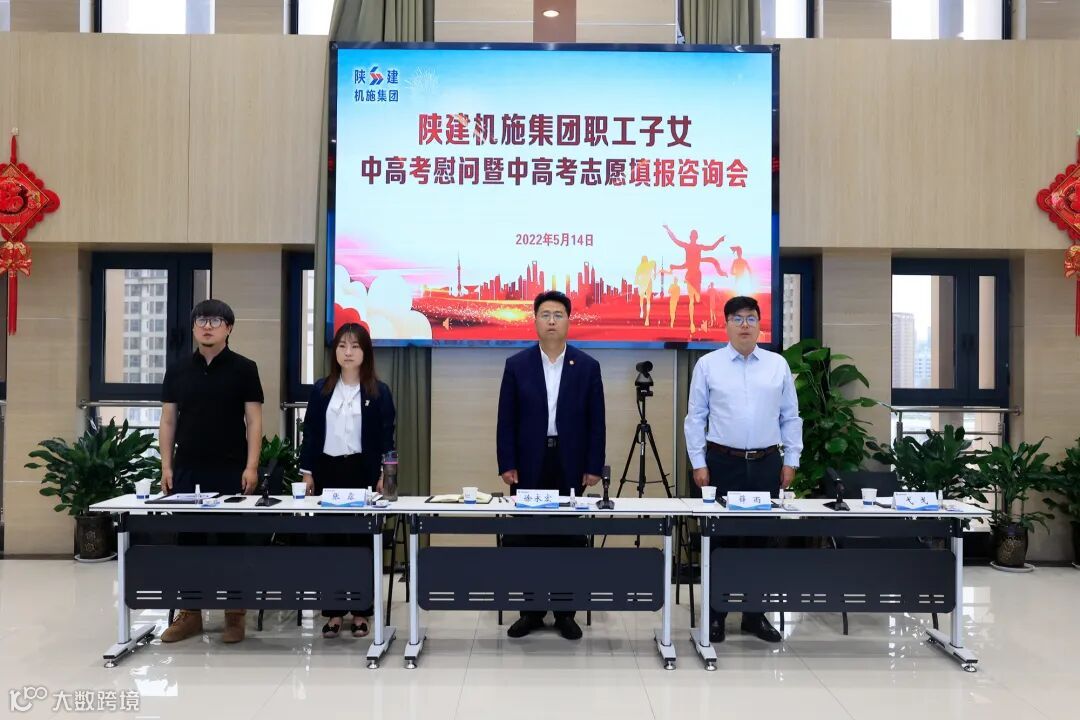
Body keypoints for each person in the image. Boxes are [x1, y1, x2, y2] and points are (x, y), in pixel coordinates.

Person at [683, 295, 803, 644]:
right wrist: (698, 462)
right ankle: (716, 615)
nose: (745, 325)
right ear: (726, 325)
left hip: (766, 463)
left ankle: (754, 615)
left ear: (760, 324)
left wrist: (791, 460)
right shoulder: (708, 365)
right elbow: (696, 417)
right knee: (720, 541)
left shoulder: (777, 365)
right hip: (722, 463)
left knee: (760, 542)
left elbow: (790, 416)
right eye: (737, 318)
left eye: (751, 318)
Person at [496, 291, 605, 641]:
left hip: (569, 462)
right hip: (529, 463)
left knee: (568, 538)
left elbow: (596, 422)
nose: (552, 320)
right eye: (546, 314)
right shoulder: (517, 365)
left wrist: (593, 465)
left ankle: (564, 612)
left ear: (569, 321)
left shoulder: (587, 366)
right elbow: (506, 419)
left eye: (559, 314)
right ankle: (530, 611)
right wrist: (507, 462)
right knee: (527, 538)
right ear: (535, 321)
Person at [158, 299, 264, 644]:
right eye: (201, 320)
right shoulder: (177, 370)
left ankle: (235, 615)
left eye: (216, 321)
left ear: (228, 328)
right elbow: (168, 420)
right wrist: (166, 464)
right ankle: (190, 614)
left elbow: (254, 421)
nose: (207, 326)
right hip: (188, 469)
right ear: (193, 327)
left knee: (232, 542)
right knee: (189, 542)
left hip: (231, 469)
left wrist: (251, 466)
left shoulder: (245, 369)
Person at [299, 322, 396, 640]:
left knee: (361, 544)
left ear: (365, 352)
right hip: (327, 473)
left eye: (355, 346)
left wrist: (384, 475)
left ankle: (361, 611)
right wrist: (307, 472)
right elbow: (311, 433)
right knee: (330, 544)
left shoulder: (378, 392)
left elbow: (387, 438)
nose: (348, 352)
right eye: (342, 346)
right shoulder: (321, 389)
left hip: (362, 473)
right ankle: (333, 612)